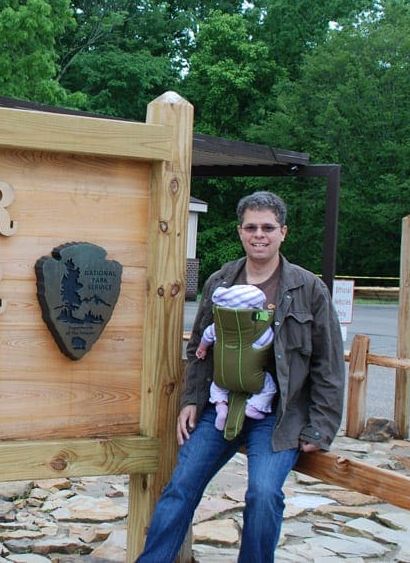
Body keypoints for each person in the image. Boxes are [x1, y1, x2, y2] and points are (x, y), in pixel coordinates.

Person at [137, 190, 344, 563]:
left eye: (268, 227)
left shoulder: (309, 289)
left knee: (263, 494)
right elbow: (200, 348)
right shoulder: (220, 282)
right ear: (240, 231)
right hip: (222, 405)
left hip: (279, 417)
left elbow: (328, 364)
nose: (259, 234)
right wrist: (191, 401)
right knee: (180, 486)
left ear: (284, 232)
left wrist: (321, 427)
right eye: (251, 227)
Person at [195, 284, 278, 434]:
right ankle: (253, 407)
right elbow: (270, 343)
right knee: (269, 386)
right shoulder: (261, 330)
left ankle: (221, 407)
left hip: (223, 377)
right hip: (252, 379)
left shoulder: (217, 327)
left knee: (216, 386)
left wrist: (202, 349)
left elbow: (206, 337)